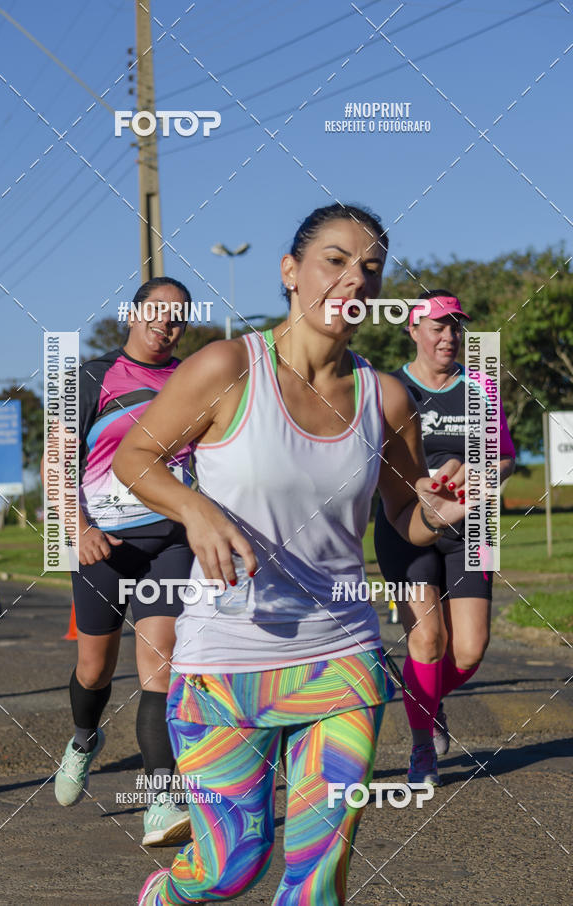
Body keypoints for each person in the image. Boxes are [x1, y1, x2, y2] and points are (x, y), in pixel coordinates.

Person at [113, 205, 468, 906]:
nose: (354, 279)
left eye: (370, 268)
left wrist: (434, 512)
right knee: (229, 870)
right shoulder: (227, 368)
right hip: (226, 665)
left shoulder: (385, 397)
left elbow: (403, 513)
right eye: (334, 260)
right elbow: (136, 456)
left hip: (341, 662)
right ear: (290, 272)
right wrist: (197, 511)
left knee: (318, 884)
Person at [51, 276, 196, 847]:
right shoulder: (89, 376)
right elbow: (57, 465)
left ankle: (162, 799)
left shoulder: (193, 380)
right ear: (132, 315)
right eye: (158, 312)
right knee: (95, 669)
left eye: (179, 316)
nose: (167, 323)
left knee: (159, 666)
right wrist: (78, 529)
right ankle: (85, 738)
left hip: (171, 542)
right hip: (103, 545)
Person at [374, 289, 516, 786]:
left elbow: (505, 458)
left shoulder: (480, 387)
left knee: (470, 650)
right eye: (438, 326)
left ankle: (423, 699)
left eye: (456, 326)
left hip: (474, 525)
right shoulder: (387, 387)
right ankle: (422, 748)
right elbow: (366, 462)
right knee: (427, 638)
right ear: (412, 330)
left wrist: (475, 475)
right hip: (404, 524)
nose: (449, 336)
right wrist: (420, 484)